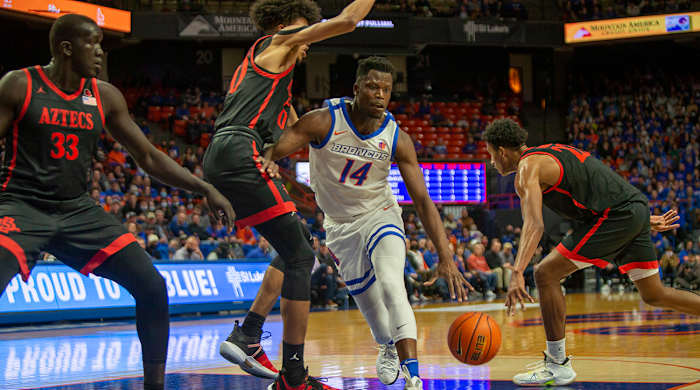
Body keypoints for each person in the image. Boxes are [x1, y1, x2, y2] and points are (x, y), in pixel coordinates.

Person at [0, 14, 235, 390]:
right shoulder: (19, 85)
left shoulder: (104, 96)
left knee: (152, 286)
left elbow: (148, 157)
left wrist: (202, 187)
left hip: (77, 209)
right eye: (91, 43)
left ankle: (154, 386)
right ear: (66, 48)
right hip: (22, 205)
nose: (99, 51)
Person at [248, 56, 472, 390]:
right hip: (340, 226)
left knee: (393, 283)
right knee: (370, 308)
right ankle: (386, 346)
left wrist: (446, 256)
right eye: (372, 86)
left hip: (380, 214)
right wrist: (266, 157)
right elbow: (277, 148)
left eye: (386, 88)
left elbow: (423, 201)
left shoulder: (398, 138)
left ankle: (414, 375)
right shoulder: (323, 121)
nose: (380, 94)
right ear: (356, 89)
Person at [201, 0, 378, 388]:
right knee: (301, 256)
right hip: (235, 149)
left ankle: (248, 334)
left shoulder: (275, 88)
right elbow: (348, 20)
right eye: (304, 30)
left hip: (227, 154)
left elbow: (301, 135)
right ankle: (293, 377)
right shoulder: (275, 43)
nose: (307, 41)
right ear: (283, 25)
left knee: (297, 243)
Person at [483, 119, 700, 386]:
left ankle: (557, 365)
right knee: (655, 294)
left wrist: (517, 271)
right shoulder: (551, 150)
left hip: (615, 216)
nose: (492, 162)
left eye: (492, 155)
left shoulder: (527, 168)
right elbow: (599, 178)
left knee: (545, 273)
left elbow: (535, 223)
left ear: (502, 151)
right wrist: (641, 217)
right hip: (632, 208)